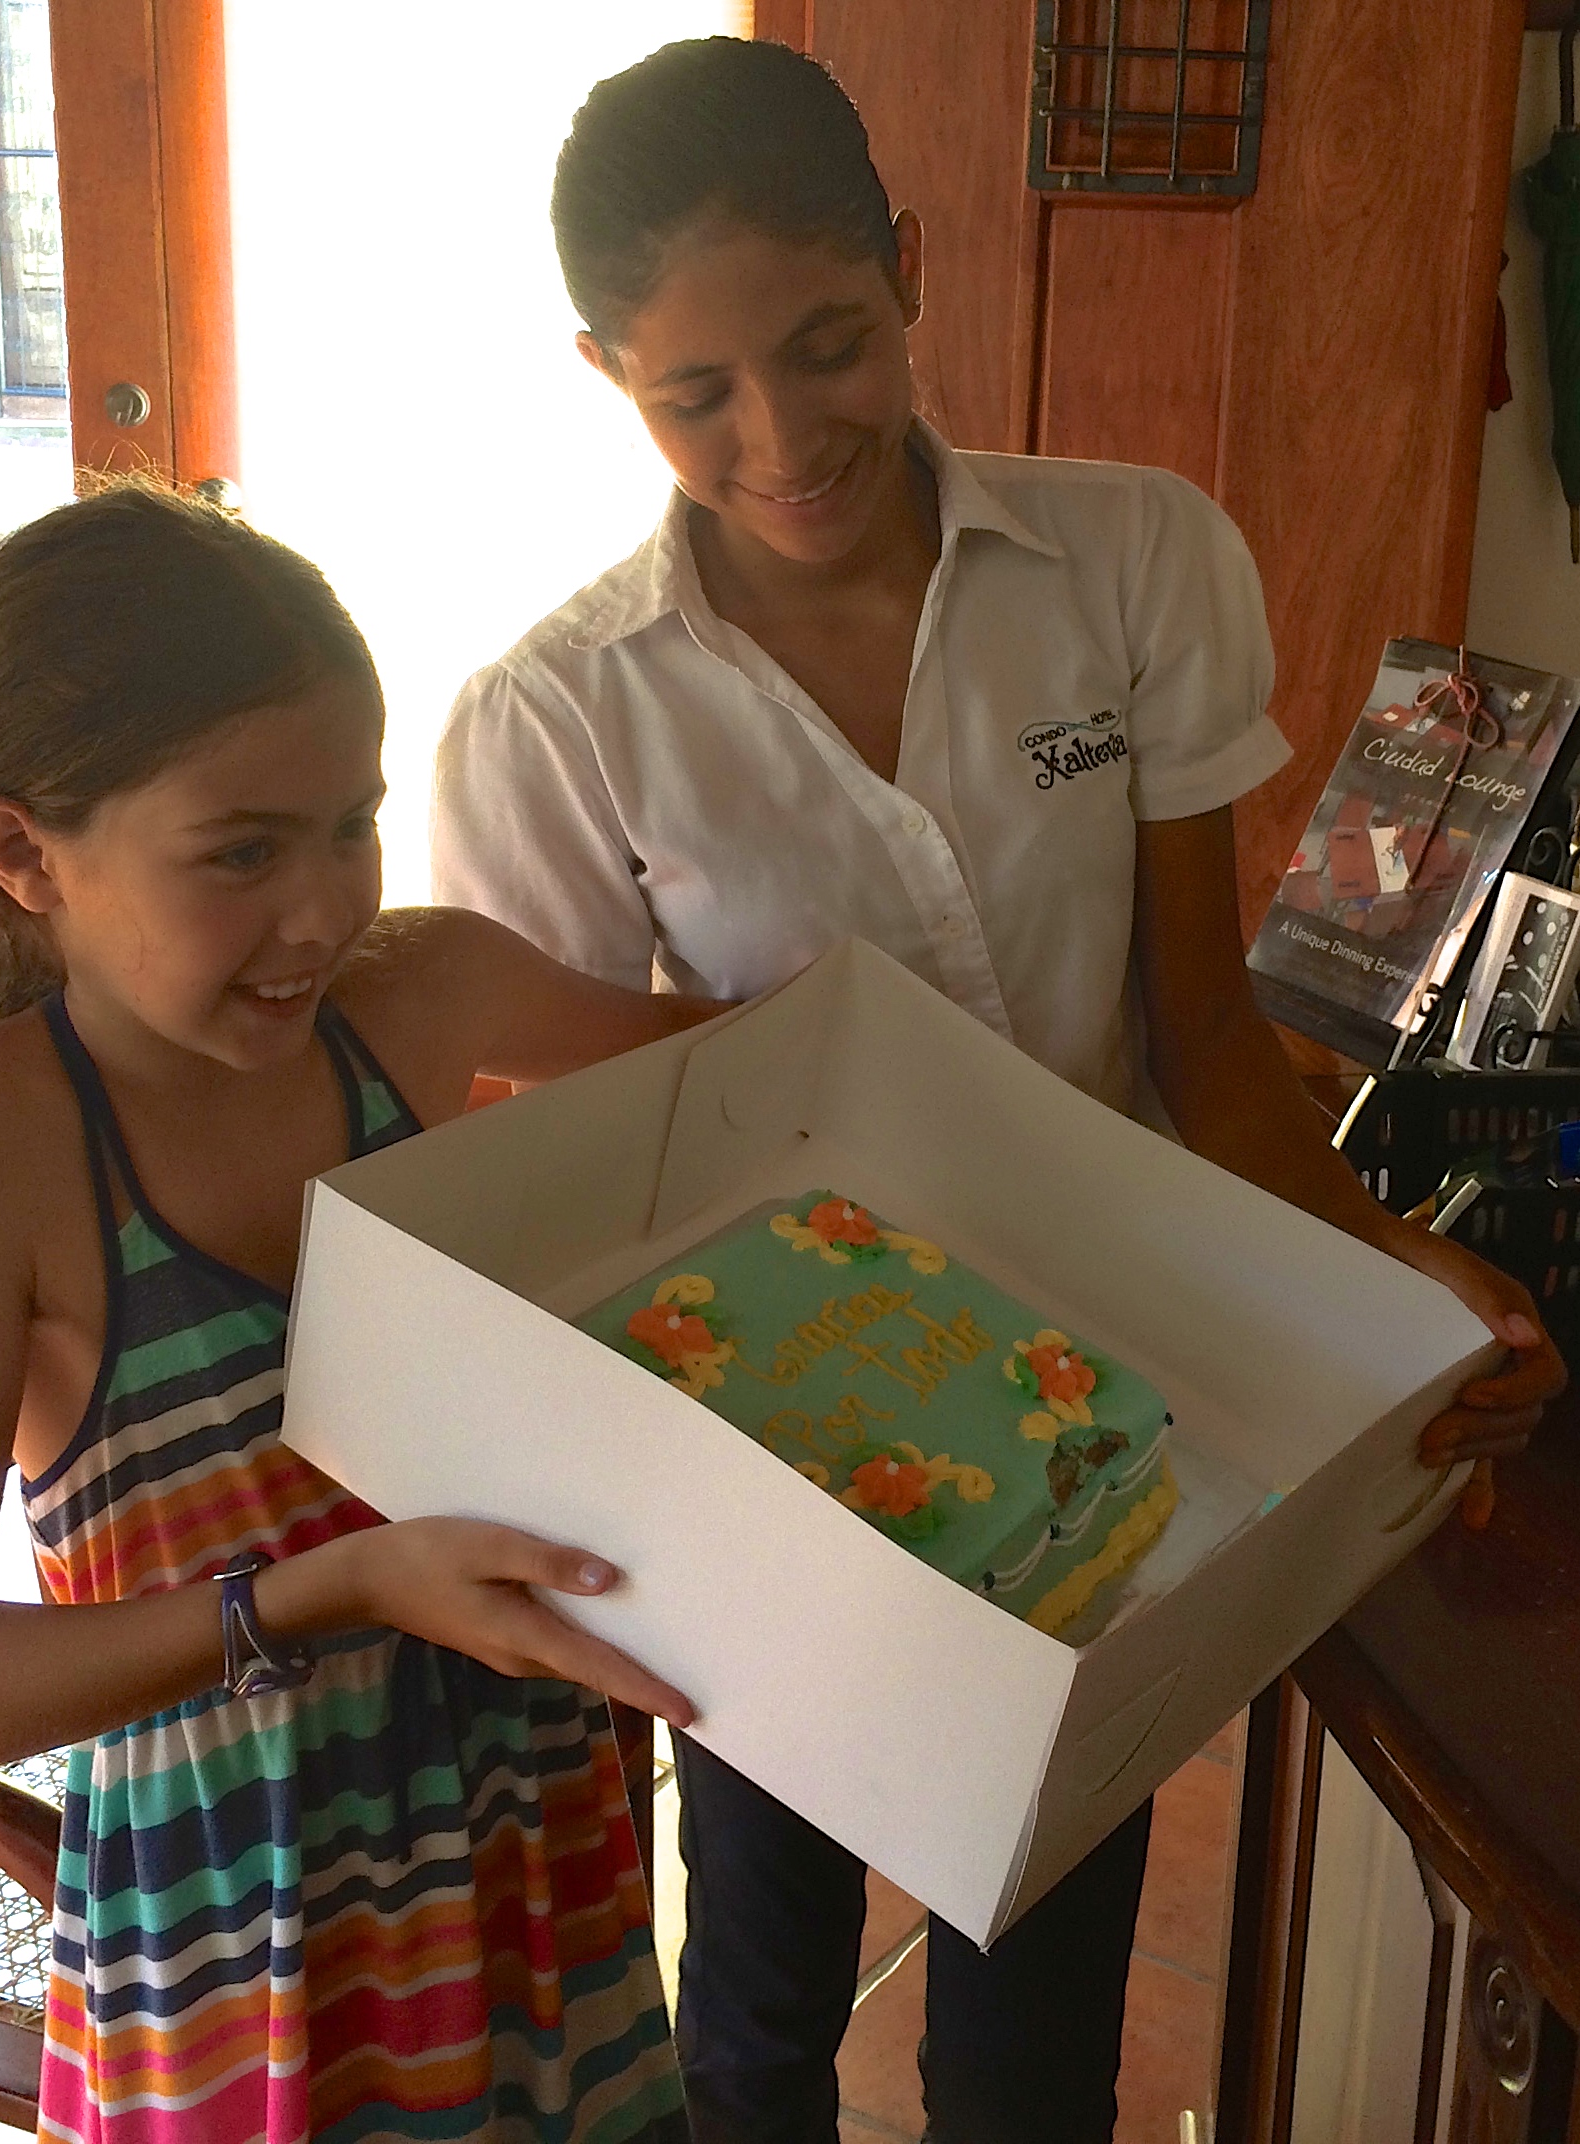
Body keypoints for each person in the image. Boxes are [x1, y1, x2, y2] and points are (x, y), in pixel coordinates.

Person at [430, 36, 1566, 2144]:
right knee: (756, 1995)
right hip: (771, 1449)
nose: (782, 438)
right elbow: (575, 1164)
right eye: (697, 395)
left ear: (913, 270)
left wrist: (1407, 1275)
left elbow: (1208, 1059)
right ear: (608, 376)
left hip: (1092, 1440)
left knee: (1033, 2030)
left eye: (828, 343)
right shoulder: (558, 719)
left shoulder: (1135, 563)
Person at [0, 482, 720, 2144]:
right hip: (243, 1951)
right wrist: (339, 1586)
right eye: (241, 852)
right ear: (24, 855)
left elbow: (768, 1086)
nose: (321, 911)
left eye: (349, 825)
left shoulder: (424, 993)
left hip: (528, 1843)